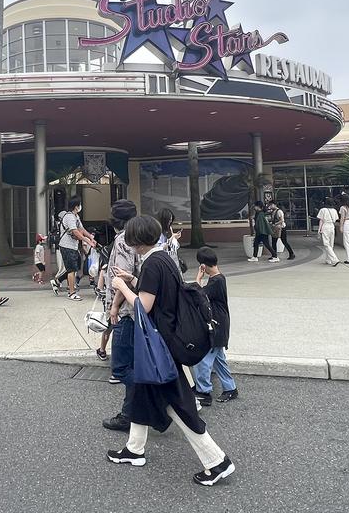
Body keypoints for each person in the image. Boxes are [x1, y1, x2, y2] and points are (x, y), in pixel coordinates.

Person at [108, 215, 234, 486]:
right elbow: (161, 291)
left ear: (135, 240)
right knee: (143, 391)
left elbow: (144, 306)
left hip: (159, 346)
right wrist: (133, 279)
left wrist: (120, 287)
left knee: (179, 404)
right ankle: (134, 449)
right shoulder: (163, 257)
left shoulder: (152, 263)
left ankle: (217, 461)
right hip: (165, 342)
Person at [101, 200, 140, 432]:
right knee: (134, 364)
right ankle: (129, 414)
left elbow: (121, 276)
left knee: (121, 368)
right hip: (140, 307)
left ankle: (152, 398)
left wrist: (114, 306)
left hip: (126, 312)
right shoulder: (142, 235)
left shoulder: (123, 239)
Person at [192, 247, 237, 406]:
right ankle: (230, 388)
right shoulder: (218, 278)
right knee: (218, 359)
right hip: (220, 323)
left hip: (216, 325)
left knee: (203, 359)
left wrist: (198, 277)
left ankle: (203, 392)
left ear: (203, 265)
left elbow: (197, 294)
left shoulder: (216, 281)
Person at [51, 196, 96, 301]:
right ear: (76, 206)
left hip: (73, 246)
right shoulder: (69, 217)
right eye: (80, 204)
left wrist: (90, 238)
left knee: (75, 266)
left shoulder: (76, 216)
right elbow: (75, 231)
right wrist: (87, 241)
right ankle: (71, 292)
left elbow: (81, 229)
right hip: (67, 246)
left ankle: (57, 282)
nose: (81, 206)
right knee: (72, 269)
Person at [317, 198, 340, 267]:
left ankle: (334, 259)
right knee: (331, 244)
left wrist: (319, 229)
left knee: (326, 244)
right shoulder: (334, 210)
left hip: (325, 226)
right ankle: (328, 259)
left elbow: (321, 220)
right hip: (332, 227)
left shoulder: (323, 210)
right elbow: (336, 220)